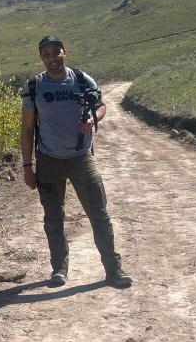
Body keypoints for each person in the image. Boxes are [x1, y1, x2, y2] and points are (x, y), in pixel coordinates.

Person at [21, 35, 132, 289]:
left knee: (100, 215)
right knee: (53, 218)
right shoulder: (34, 86)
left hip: (81, 159)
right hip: (48, 161)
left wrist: (94, 119)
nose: (52, 58)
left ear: (64, 52)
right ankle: (59, 270)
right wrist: (27, 167)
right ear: (41, 58)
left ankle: (114, 271)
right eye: (46, 54)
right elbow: (27, 129)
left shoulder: (82, 80)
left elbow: (101, 105)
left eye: (55, 52)